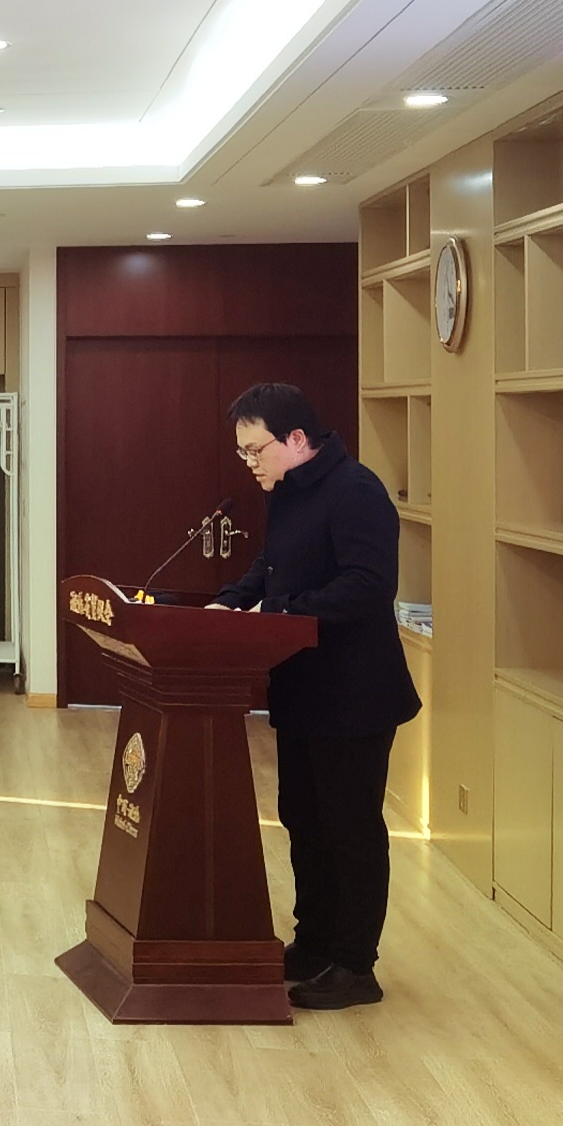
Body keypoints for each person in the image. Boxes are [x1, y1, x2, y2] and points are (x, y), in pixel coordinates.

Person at [211, 383, 425, 1011]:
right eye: (243, 452)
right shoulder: (287, 490)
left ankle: (356, 965)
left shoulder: (356, 491)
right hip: (302, 687)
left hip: (355, 693)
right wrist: (230, 604)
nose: (249, 463)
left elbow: (367, 585)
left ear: (297, 439)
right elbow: (271, 566)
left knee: (349, 828)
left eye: (256, 450)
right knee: (303, 820)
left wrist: (276, 612)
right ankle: (314, 943)